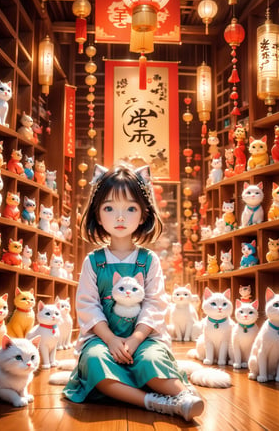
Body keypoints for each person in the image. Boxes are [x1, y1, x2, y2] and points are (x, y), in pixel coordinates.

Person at [63, 162, 204, 422]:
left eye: (130, 208)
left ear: (143, 214)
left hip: (144, 338)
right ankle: (154, 402)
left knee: (150, 359)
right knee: (94, 360)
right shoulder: (93, 261)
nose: (120, 217)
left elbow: (155, 304)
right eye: (109, 208)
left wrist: (136, 339)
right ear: (97, 214)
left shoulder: (149, 260)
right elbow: (87, 306)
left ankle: (182, 395)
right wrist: (111, 340)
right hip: (103, 340)